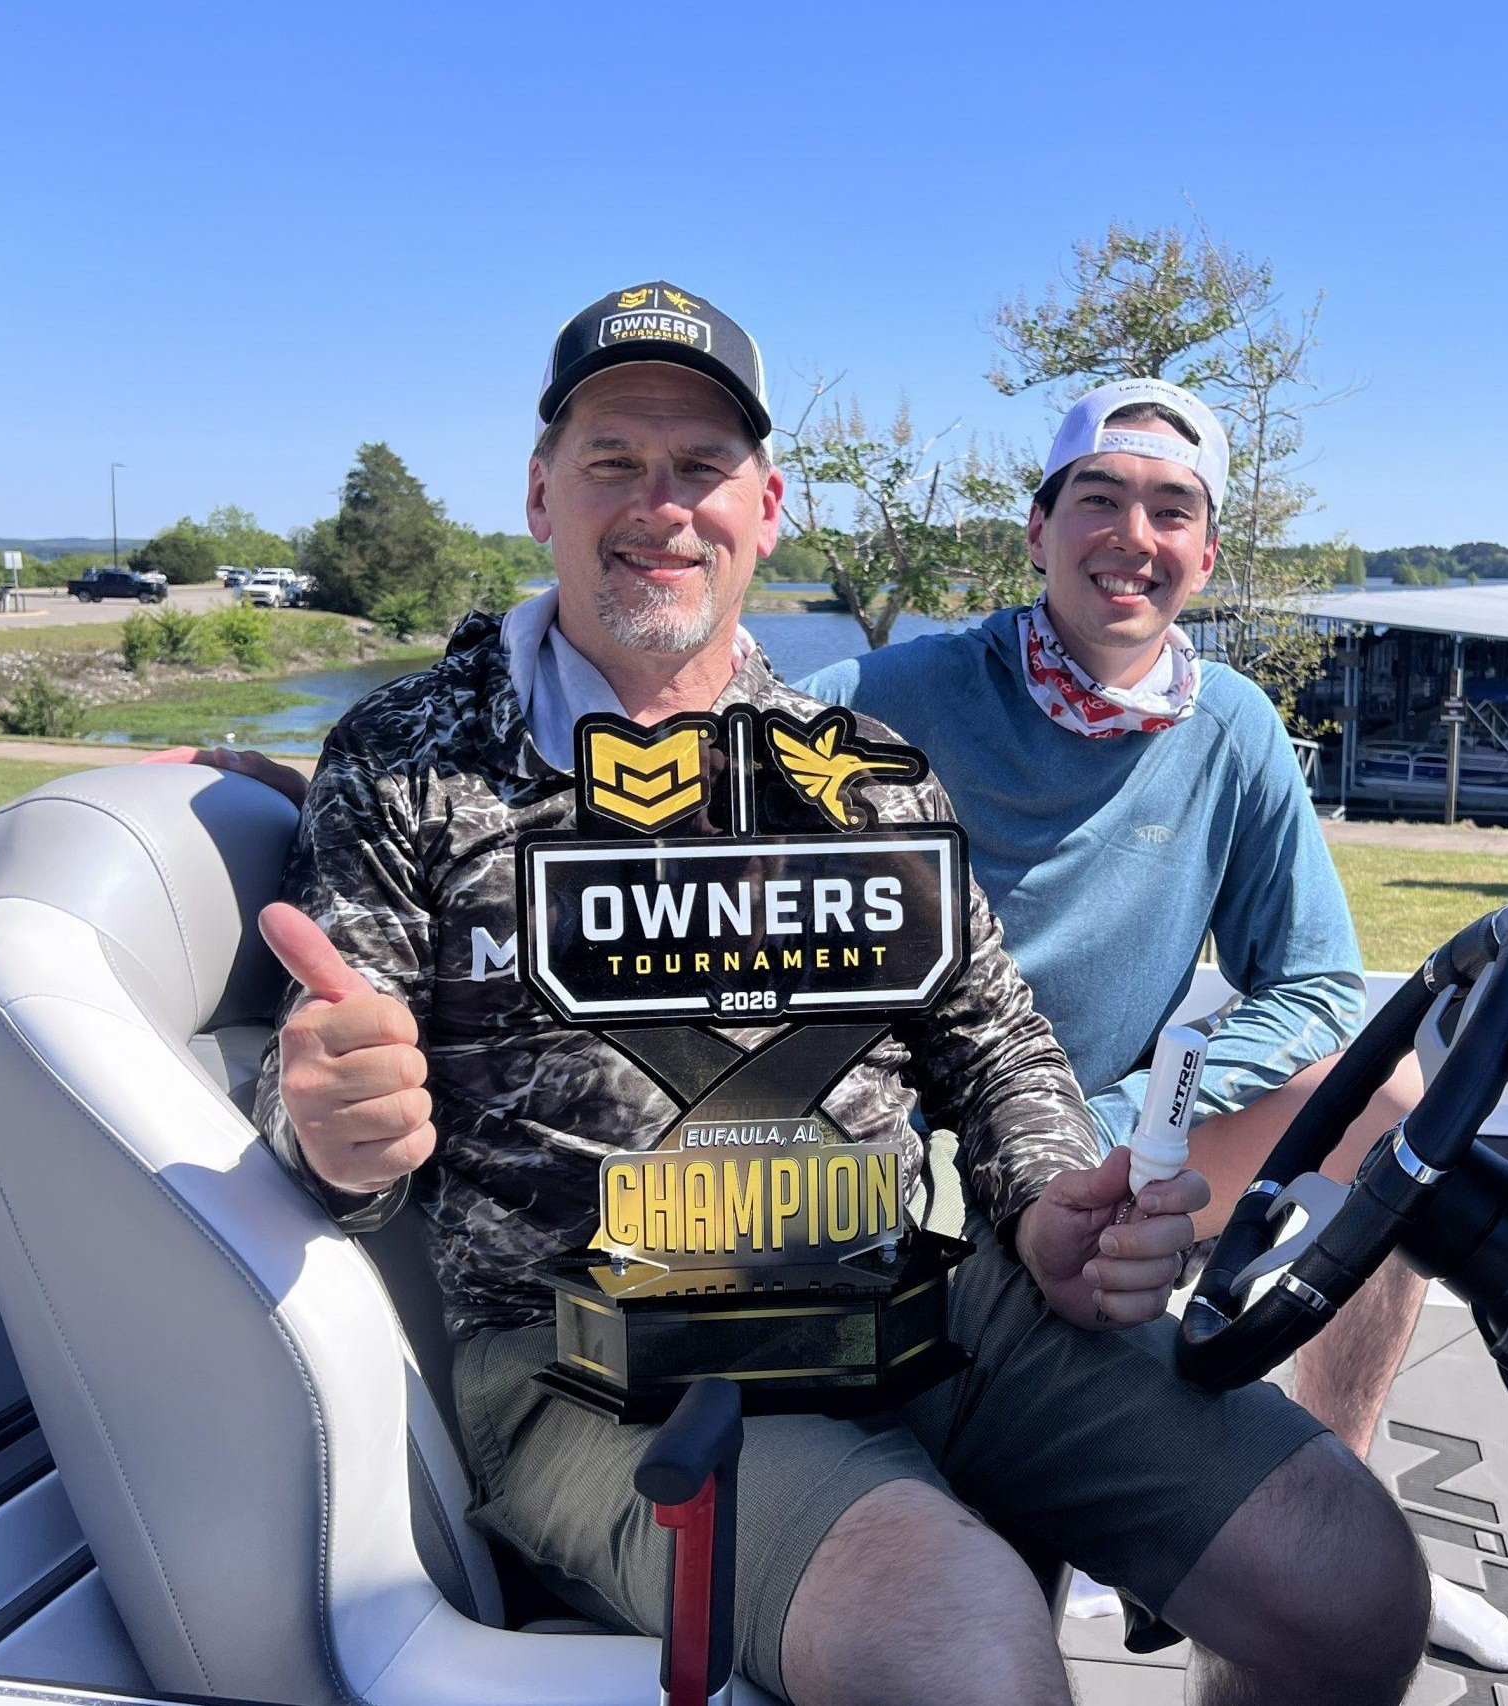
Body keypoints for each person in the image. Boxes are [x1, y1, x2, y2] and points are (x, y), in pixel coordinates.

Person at [249, 284, 1427, 1706]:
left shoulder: (861, 769)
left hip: (916, 1292)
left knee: (1354, 1584)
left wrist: (1049, 1199)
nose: (662, 505)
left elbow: (995, 1044)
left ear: (767, 507)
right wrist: (335, 1123)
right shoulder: (409, 761)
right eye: (615, 459)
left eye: (703, 466)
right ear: (541, 491)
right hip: (598, 1354)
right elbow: (327, 1090)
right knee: (962, 1639)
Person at [802, 377, 1508, 1671]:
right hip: (913, 1158)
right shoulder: (895, 691)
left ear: (1206, 551)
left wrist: (1143, 1112)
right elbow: (695, 762)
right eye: (1100, 498)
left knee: (1393, 1111)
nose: (1132, 536)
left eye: (1170, 509)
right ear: (1038, 531)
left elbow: (1317, 987)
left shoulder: (1233, 727)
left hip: (1102, 1137)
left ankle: (1328, 1482)